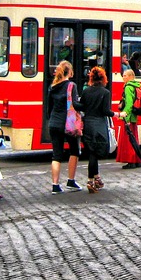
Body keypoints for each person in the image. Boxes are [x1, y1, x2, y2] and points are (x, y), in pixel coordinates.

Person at [47, 61, 82, 194]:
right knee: (74, 151)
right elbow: (75, 104)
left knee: (56, 154)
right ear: (70, 72)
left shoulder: (53, 86)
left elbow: (49, 108)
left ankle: (55, 184)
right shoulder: (71, 85)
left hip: (54, 123)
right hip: (68, 123)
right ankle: (71, 180)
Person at [80, 66, 116, 193]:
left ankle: (95, 178)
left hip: (88, 124)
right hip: (99, 125)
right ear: (103, 78)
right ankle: (91, 180)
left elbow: (82, 106)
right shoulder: (105, 93)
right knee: (95, 154)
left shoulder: (86, 91)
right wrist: (117, 114)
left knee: (92, 153)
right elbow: (106, 111)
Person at [116, 68, 141, 170]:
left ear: (131, 76)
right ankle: (137, 160)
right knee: (134, 139)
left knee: (128, 140)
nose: (123, 77)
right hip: (134, 117)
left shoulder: (128, 87)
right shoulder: (137, 86)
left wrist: (125, 116)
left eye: (125, 75)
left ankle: (131, 161)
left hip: (129, 117)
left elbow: (129, 104)